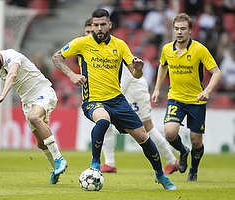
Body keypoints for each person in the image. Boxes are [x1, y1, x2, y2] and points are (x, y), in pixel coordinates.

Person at [52, 9, 176, 190]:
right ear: (92, 26)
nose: (99, 28)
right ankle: (95, 163)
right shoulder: (82, 43)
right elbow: (57, 57)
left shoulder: (120, 45)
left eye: (103, 24)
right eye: (96, 25)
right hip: (93, 100)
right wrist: (71, 75)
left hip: (118, 100)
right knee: (103, 121)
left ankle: (160, 175)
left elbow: (134, 73)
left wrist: (139, 69)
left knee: (143, 137)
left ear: (110, 25)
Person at [0, 43, 67, 184]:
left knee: (34, 117)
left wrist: (3, 95)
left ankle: (59, 159)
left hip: (43, 92)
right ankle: (56, 169)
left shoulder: (12, 56)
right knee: (41, 144)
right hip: (28, 102)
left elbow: (13, 74)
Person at [81, 17, 179, 174]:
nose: (88, 35)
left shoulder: (114, 46)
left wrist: (113, 100)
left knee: (147, 129)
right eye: (86, 32)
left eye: (89, 32)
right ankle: (110, 163)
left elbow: (127, 76)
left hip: (134, 89)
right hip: (119, 91)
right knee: (104, 123)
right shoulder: (88, 48)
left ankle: (172, 160)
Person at [151, 13, 222, 182]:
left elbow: (217, 73)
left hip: (196, 101)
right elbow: (162, 66)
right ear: (173, 30)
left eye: (183, 29)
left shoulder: (199, 49)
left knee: (196, 141)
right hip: (175, 98)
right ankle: (183, 151)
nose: (179, 32)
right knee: (169, 133)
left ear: (190, 31)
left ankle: (194, 169)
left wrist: (207, 91)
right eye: (176, 29)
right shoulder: (167, 49)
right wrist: (156, 89)